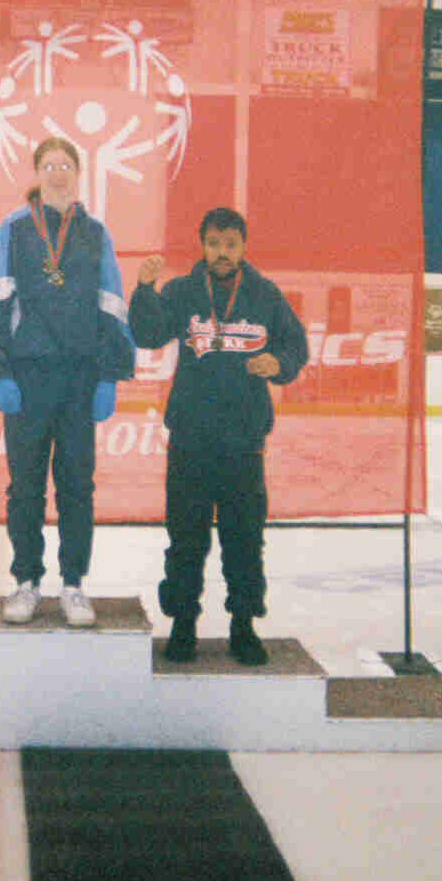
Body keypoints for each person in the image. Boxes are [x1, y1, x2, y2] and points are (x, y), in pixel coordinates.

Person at [128, 207, 308, 666]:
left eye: (230, 244)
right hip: (190, 440)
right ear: (203, 245)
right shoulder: (185, 291)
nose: (222, 253)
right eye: (214, 243)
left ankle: (243, 625)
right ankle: (183, 623)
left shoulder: (266, 295)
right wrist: (145, 290)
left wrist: (279, 365)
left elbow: (296, 344)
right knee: (186, 540)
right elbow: (147, 334)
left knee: (244, 540)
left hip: (244, 443)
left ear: (243, 246)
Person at [0, 136, 134, 628]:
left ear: (78, 174)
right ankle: (25, 581)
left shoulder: (95, 233)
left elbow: (112, 304)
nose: (59, 173)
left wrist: (110, 375)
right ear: (36, 173)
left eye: (67, 165)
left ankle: (73, 585)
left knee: (77, 486)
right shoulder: (15, 229)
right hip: (28, 376)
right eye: (50, 165)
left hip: (80, 378)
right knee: (25, 487)